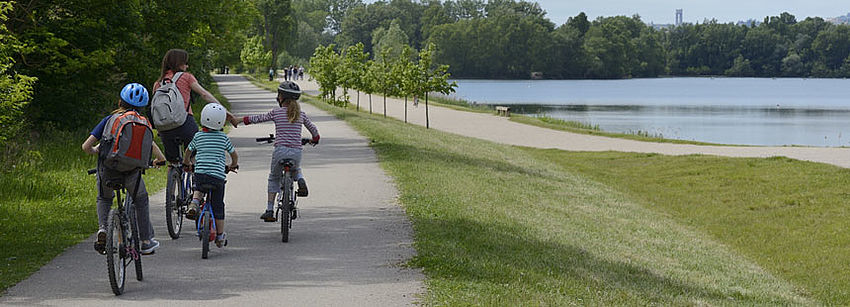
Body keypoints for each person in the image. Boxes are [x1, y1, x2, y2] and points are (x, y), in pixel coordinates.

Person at [82, 83, 167, 255]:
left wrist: (96, 150)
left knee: (104, 198)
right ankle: (145, 241)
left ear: (120, 102)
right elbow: (152, 148)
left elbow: (86, 146)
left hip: (108, 169)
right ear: (142, 107)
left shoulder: (109, 120)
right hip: (132, 172)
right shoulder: (143, 123)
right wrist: (159, 160)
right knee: (141, 200)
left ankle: (103, 229)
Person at [240, 81, 319, 222]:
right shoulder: (301, 114)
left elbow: (258, 118)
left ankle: (270, 210)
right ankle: (300, 180)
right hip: (296, 151)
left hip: (280, 151)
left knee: (274, 178)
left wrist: (241, 120)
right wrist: (315, 139)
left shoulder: (276, 112)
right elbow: (314, 130)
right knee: (296, 168)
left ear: (281, 97)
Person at [154, 49, 239, 166]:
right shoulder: (186, 77)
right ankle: (195, 179)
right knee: (193, 155)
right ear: (179, 63)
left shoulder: (158, 83)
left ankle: (172, 179)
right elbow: (204, 94)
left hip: (165, 128)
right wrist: (224, 110)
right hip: (185, 123)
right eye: (185, 63)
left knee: (173, 162)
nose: (187, 66)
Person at [183, 103, 239, 247]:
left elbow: (188, 151)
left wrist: (187, 162)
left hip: (201, 173)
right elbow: (234, 154)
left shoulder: (198, 136)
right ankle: (220, 236)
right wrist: (233, 165)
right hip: (217, 177)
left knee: (198, 186)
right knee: (218, 206)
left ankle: (194, 203)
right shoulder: (223, 138)